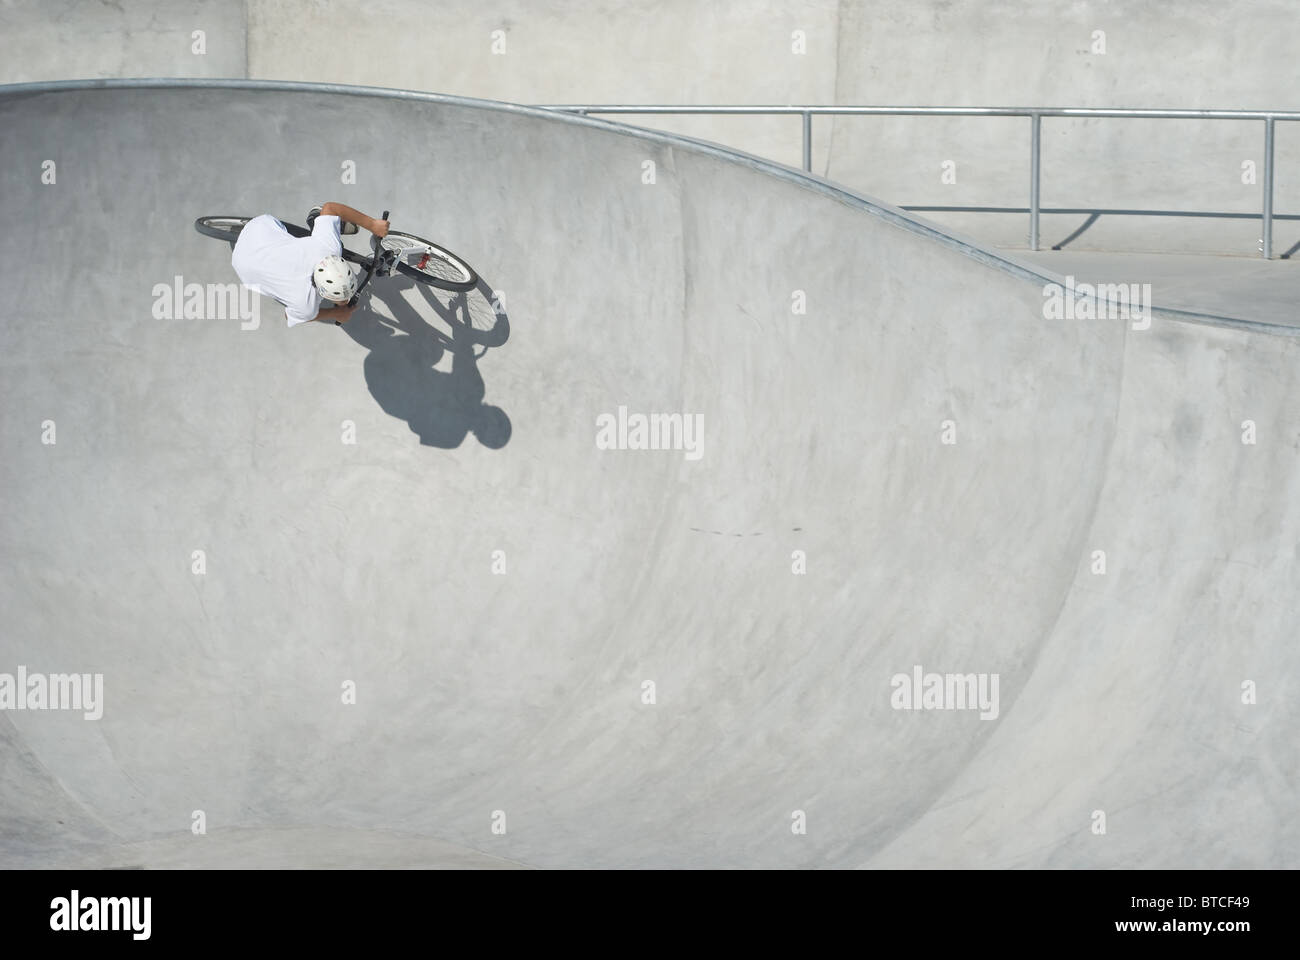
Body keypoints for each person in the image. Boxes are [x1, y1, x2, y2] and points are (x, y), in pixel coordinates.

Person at [231, 203, 389, 326]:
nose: (346, 302)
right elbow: (291, 315)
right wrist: (336, 314)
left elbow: (330, 207)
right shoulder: (304, 305)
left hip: (258, 228)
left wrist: (373, 225)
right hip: (242, 264)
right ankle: (324, 225)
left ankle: (322, 223)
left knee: (336, 244)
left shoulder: (328, 248)